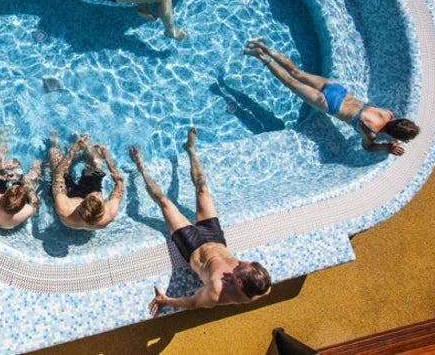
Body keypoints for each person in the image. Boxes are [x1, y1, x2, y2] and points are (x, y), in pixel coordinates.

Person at [131, 128, 272, 313]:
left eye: (241, 267)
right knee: (203, 189)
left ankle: (140, 166)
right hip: (215, 236)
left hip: (192, 245)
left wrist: (166, 300)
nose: (240, 261)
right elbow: (265, 291)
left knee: (165, 202)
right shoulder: (262, 287)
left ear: (238, 282)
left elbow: (192, 303)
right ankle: (190, 149)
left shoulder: (217, 291)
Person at [244, 40, 419, 155]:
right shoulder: (371, 133)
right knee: (289, 82)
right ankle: (260, 56)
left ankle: (264, 47)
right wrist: (387, 147)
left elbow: (392, 126)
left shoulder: (387, 113)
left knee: (296, 72)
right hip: (331, 104)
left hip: (338, 90)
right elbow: (367, 147)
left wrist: (394, 135)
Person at [49, 133, 124, 230]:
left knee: (54, 157)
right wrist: (107, 159)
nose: (97, 193)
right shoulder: (110, 213)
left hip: (68, 195)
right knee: (95, 161)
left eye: (93, 196)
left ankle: (54, 135)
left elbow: (57, 174)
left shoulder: (65, 208)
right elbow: (119, 184)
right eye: (99, 197)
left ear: (80, 203)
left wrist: (74, 150)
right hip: (86, 207)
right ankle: (84, 151)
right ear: (103, 209)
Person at [0, 130, 42, 230]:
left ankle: (2, 133)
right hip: (6, 222)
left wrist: (2, 166)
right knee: (34, 173)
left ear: (2, 196)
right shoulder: (23, 212)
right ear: (21, 207)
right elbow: (35, 205)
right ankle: (39, 156)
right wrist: (23, 181)